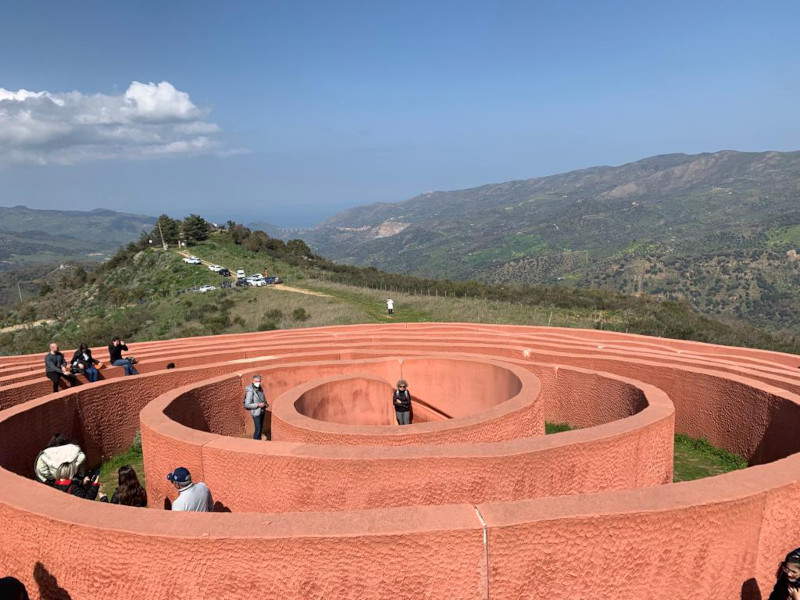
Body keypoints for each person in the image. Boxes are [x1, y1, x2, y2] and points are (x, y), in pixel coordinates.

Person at [243, 374, 268, 440]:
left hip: (262, 411)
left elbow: (262, 397)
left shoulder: (260, 387)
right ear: (253, 381)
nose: (258, 383)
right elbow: (247, 404)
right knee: (258, 429)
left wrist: (265, 403)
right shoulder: (250, 391)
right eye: (256, 381)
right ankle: (255, 444)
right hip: (256, 412)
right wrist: (258, 405)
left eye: (259, 381)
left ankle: (258, 442)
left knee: (260, 428)